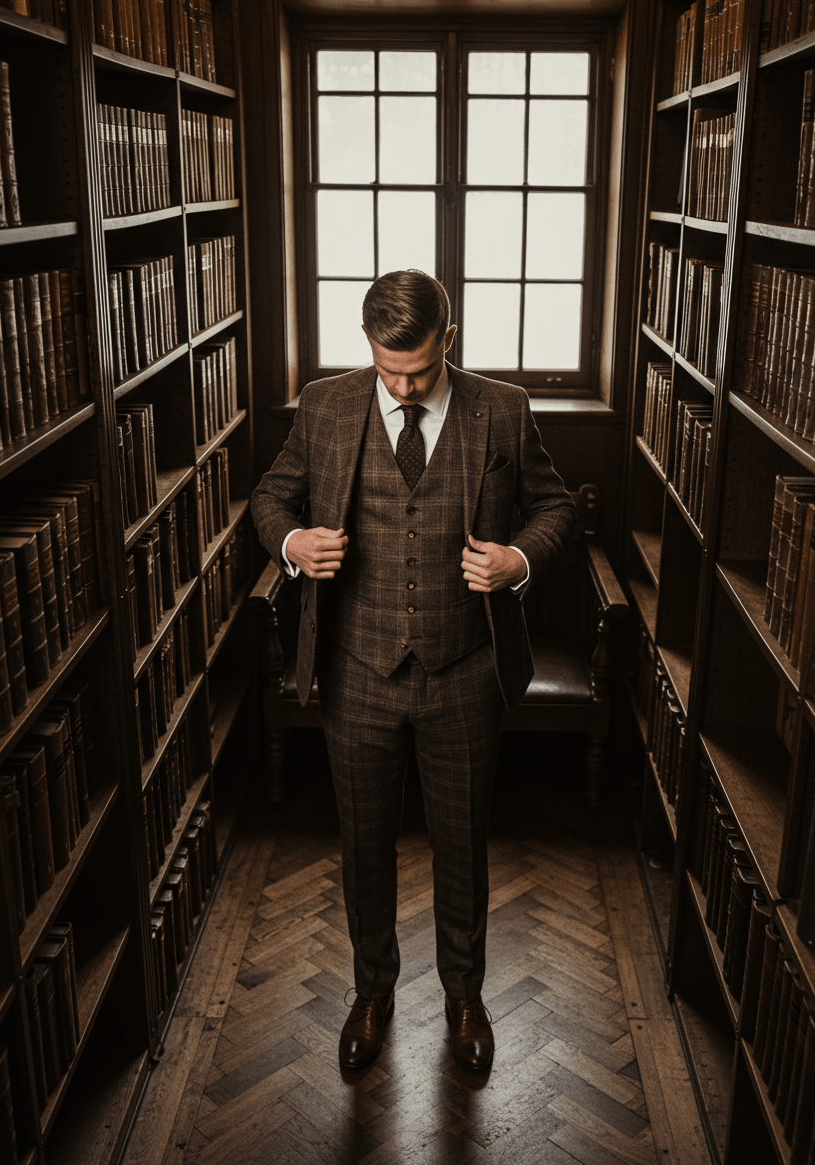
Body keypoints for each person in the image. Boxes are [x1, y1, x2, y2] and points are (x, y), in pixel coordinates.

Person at [251, 270, 577, 1073]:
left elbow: (556, 509)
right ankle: (372, 993)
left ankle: (464, 1000)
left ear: (450, 342)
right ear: (368, 348)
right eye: (388, 369)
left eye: (420, 371)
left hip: (464, 669)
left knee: (463, 843)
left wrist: (517, 560)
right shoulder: (326, 405)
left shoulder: (502, 409)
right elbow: (269, 499)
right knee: (364, 844)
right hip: (356, 669)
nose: (402, 384)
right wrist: (293, 546)